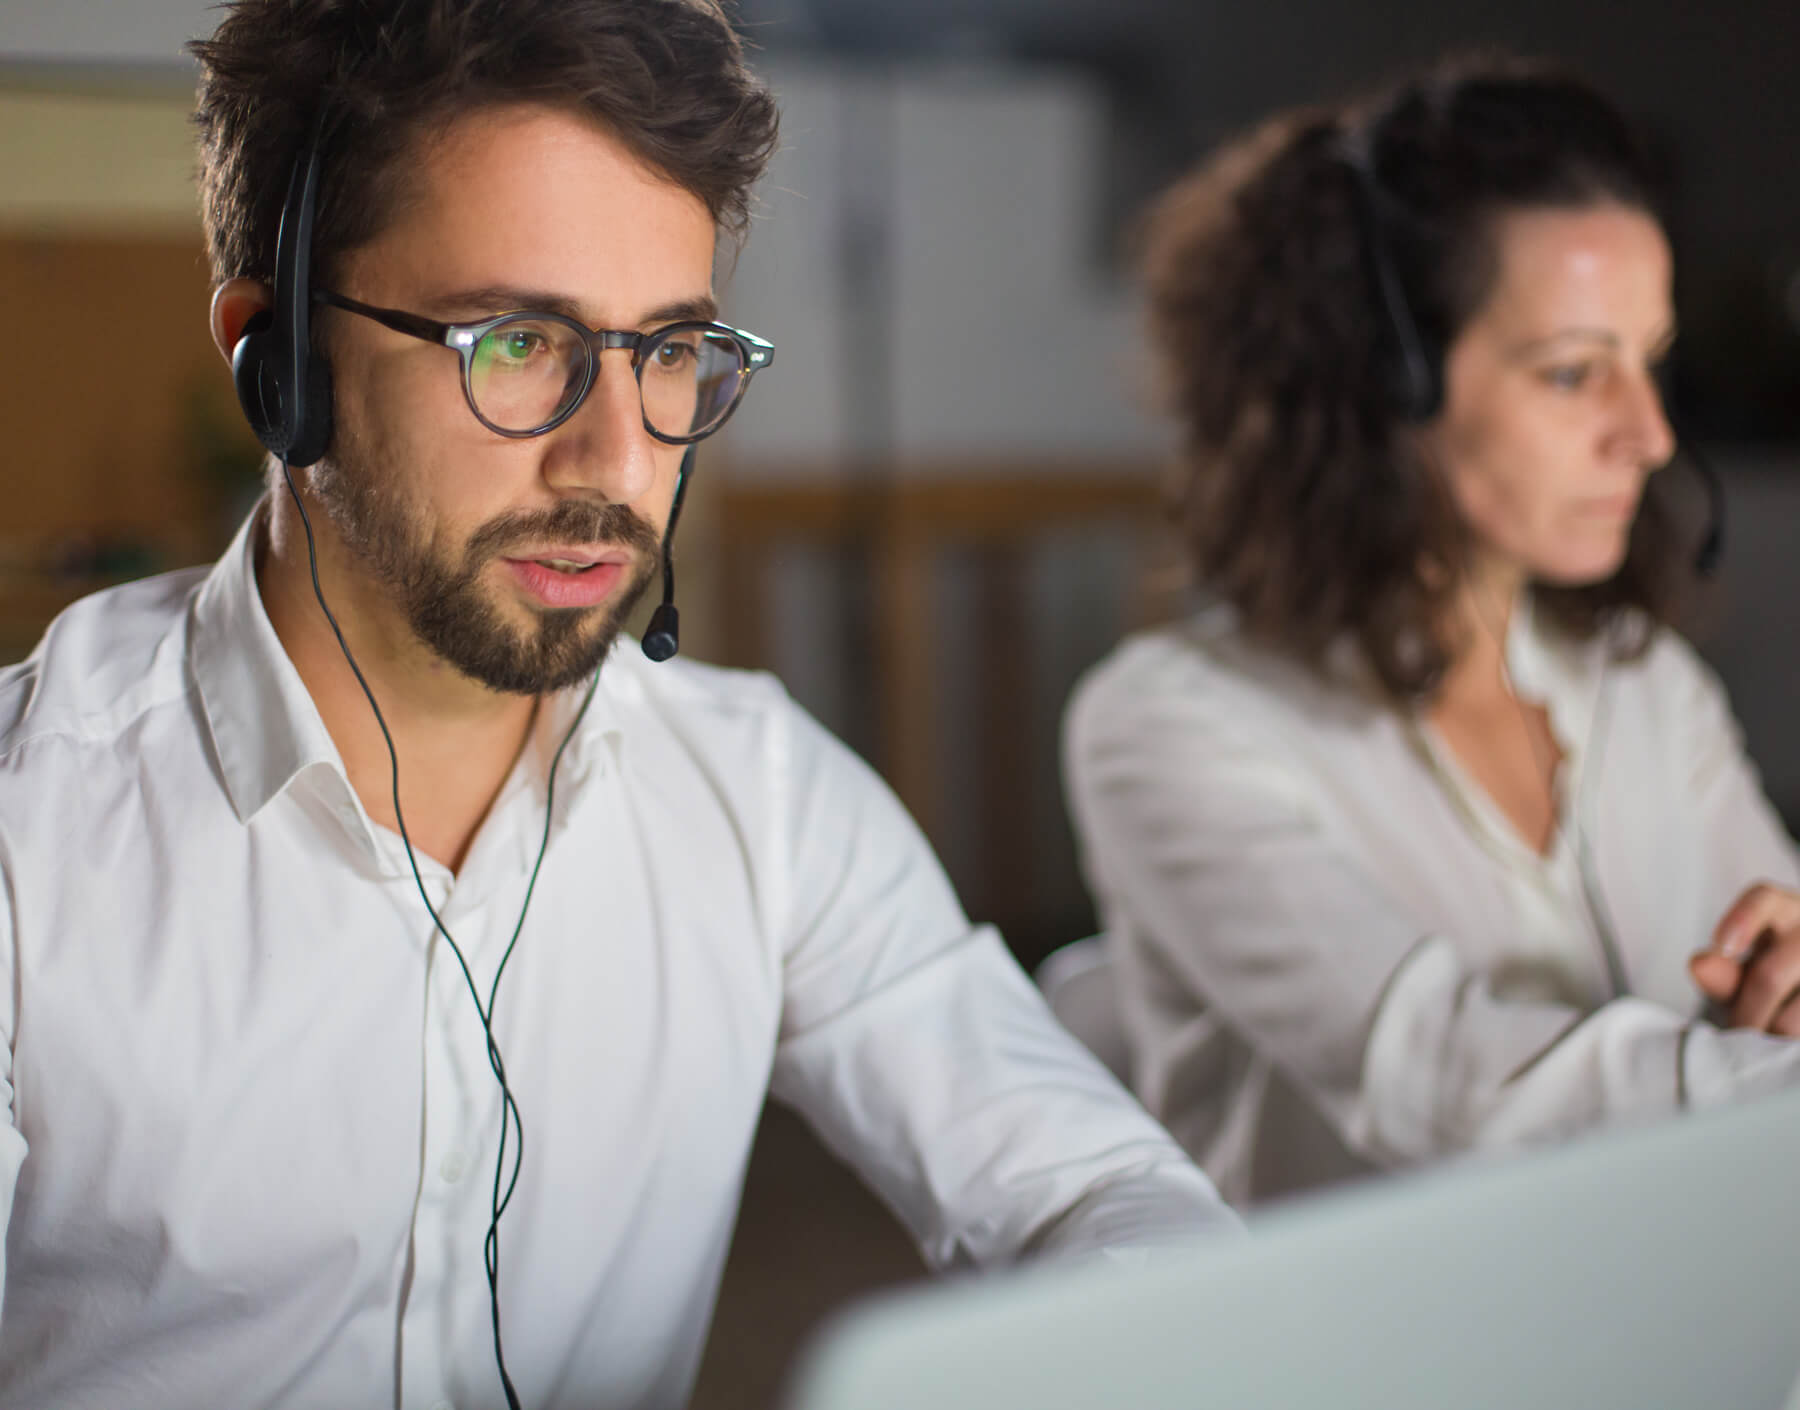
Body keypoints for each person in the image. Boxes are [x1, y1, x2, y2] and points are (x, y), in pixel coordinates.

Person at [0, 3, 1238, 1406]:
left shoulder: (758, 792)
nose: (616, 456)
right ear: (276, 363)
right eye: (517, 343)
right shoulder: (32, 834)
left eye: (665, 351)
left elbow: (1104, 1195)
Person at [1062, 57, 1800, 1209]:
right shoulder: (1168, 726)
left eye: (1649, 366)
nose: (1651, 437)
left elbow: (1780, 972)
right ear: (1387, 387)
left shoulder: (1647, 687)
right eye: (1572, 374)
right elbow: (1440, 1082)